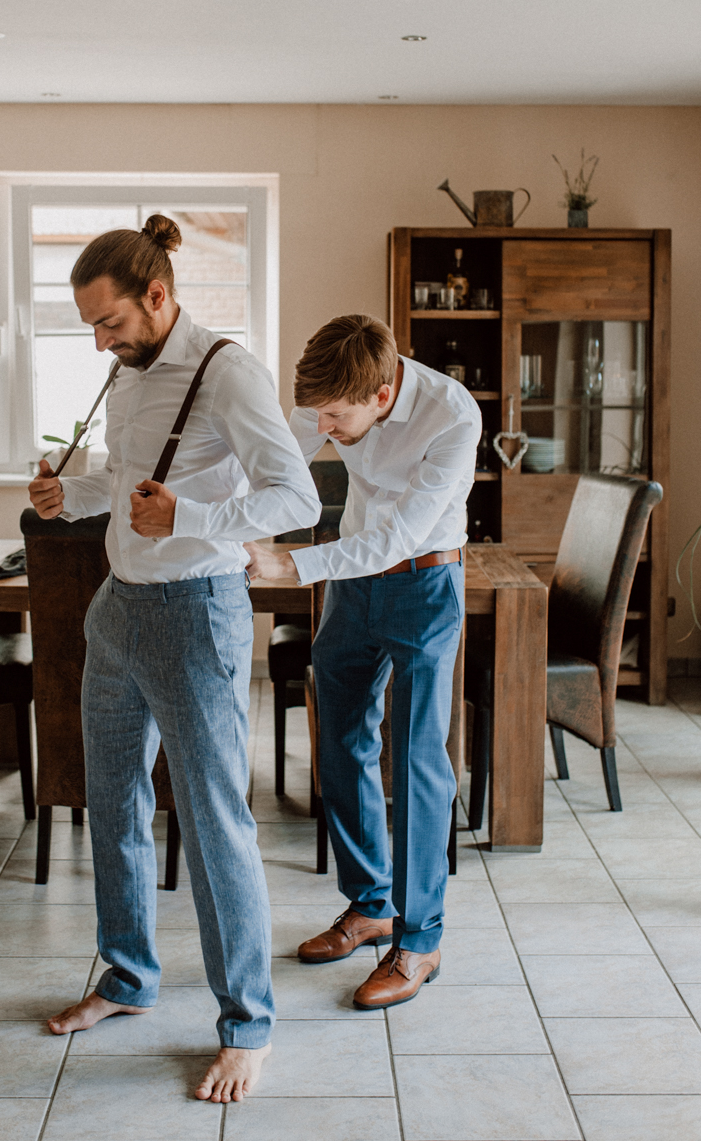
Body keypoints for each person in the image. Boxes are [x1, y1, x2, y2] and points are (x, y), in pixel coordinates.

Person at [28, 214, 320, 1103]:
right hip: (117, 608)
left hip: (196, 613)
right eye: (89, 326)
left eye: (109, 322)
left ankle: (248, 1025)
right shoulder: (125, 372)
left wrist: (187, 518)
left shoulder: (226, 370)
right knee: (110, 800)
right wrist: (67, 493)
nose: (100, 342)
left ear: (158, 296)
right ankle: (127, 978)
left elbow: (295, 493)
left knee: (213, 818)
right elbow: (128, 483)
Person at [245, 314, 480, 1011]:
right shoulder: (330, 392)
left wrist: (294, 562)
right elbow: (273, 463)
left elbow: (402, 535)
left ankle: (421, 937)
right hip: (354, 585)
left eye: (336, 417)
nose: (324, 426)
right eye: (316, 412)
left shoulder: (452, 417)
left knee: (414, 757)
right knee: (340, 739)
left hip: (425, 580)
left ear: (381, 395)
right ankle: (370, 902)